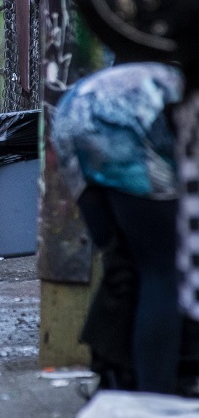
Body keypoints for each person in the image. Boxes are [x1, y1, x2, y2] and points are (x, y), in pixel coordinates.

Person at [53, 64, 187, 395]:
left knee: (121, 259)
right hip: (127, 123)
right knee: (162, 268)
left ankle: (113, 379)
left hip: (74, 111)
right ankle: (155, 396)